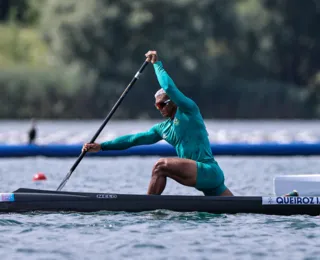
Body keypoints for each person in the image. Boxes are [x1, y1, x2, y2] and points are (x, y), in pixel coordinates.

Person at [82, 50, 233, 196]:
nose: (159, 108)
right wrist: (102, 146)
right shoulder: (163, 128)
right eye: (156, 106)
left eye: (162, 104)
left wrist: (156, 64)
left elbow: (168, 87)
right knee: (236, 210)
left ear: (173, 101)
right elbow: (133, 140)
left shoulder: (188, 110)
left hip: (208, 171)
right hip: (205, 177)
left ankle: (148, 207)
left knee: (160, 166)